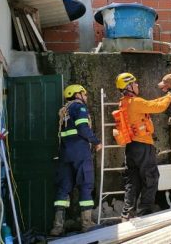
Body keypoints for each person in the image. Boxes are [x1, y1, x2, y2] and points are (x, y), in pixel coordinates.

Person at [115, 72, 171, 221]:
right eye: (134, 83)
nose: (137, 85)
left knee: (132, 181)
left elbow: (150, 103)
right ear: (128, 87)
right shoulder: (135, 102)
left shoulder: (124, 103)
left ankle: (127, 213)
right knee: (151, 177)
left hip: (131, 148)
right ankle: (144, 212)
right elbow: (158, 107)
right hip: (143, 146)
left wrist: (164, 96)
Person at [50, 84, 102, 236]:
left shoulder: (65, 110)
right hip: (80, 152)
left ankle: (57, 226)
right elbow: (83, 128)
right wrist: (96, 141)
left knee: (63, 188)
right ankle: (86, 224)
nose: (85, 97)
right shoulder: (79, 108)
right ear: (77, 95)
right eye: (84, 94)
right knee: (86, 185)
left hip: (65, 154)